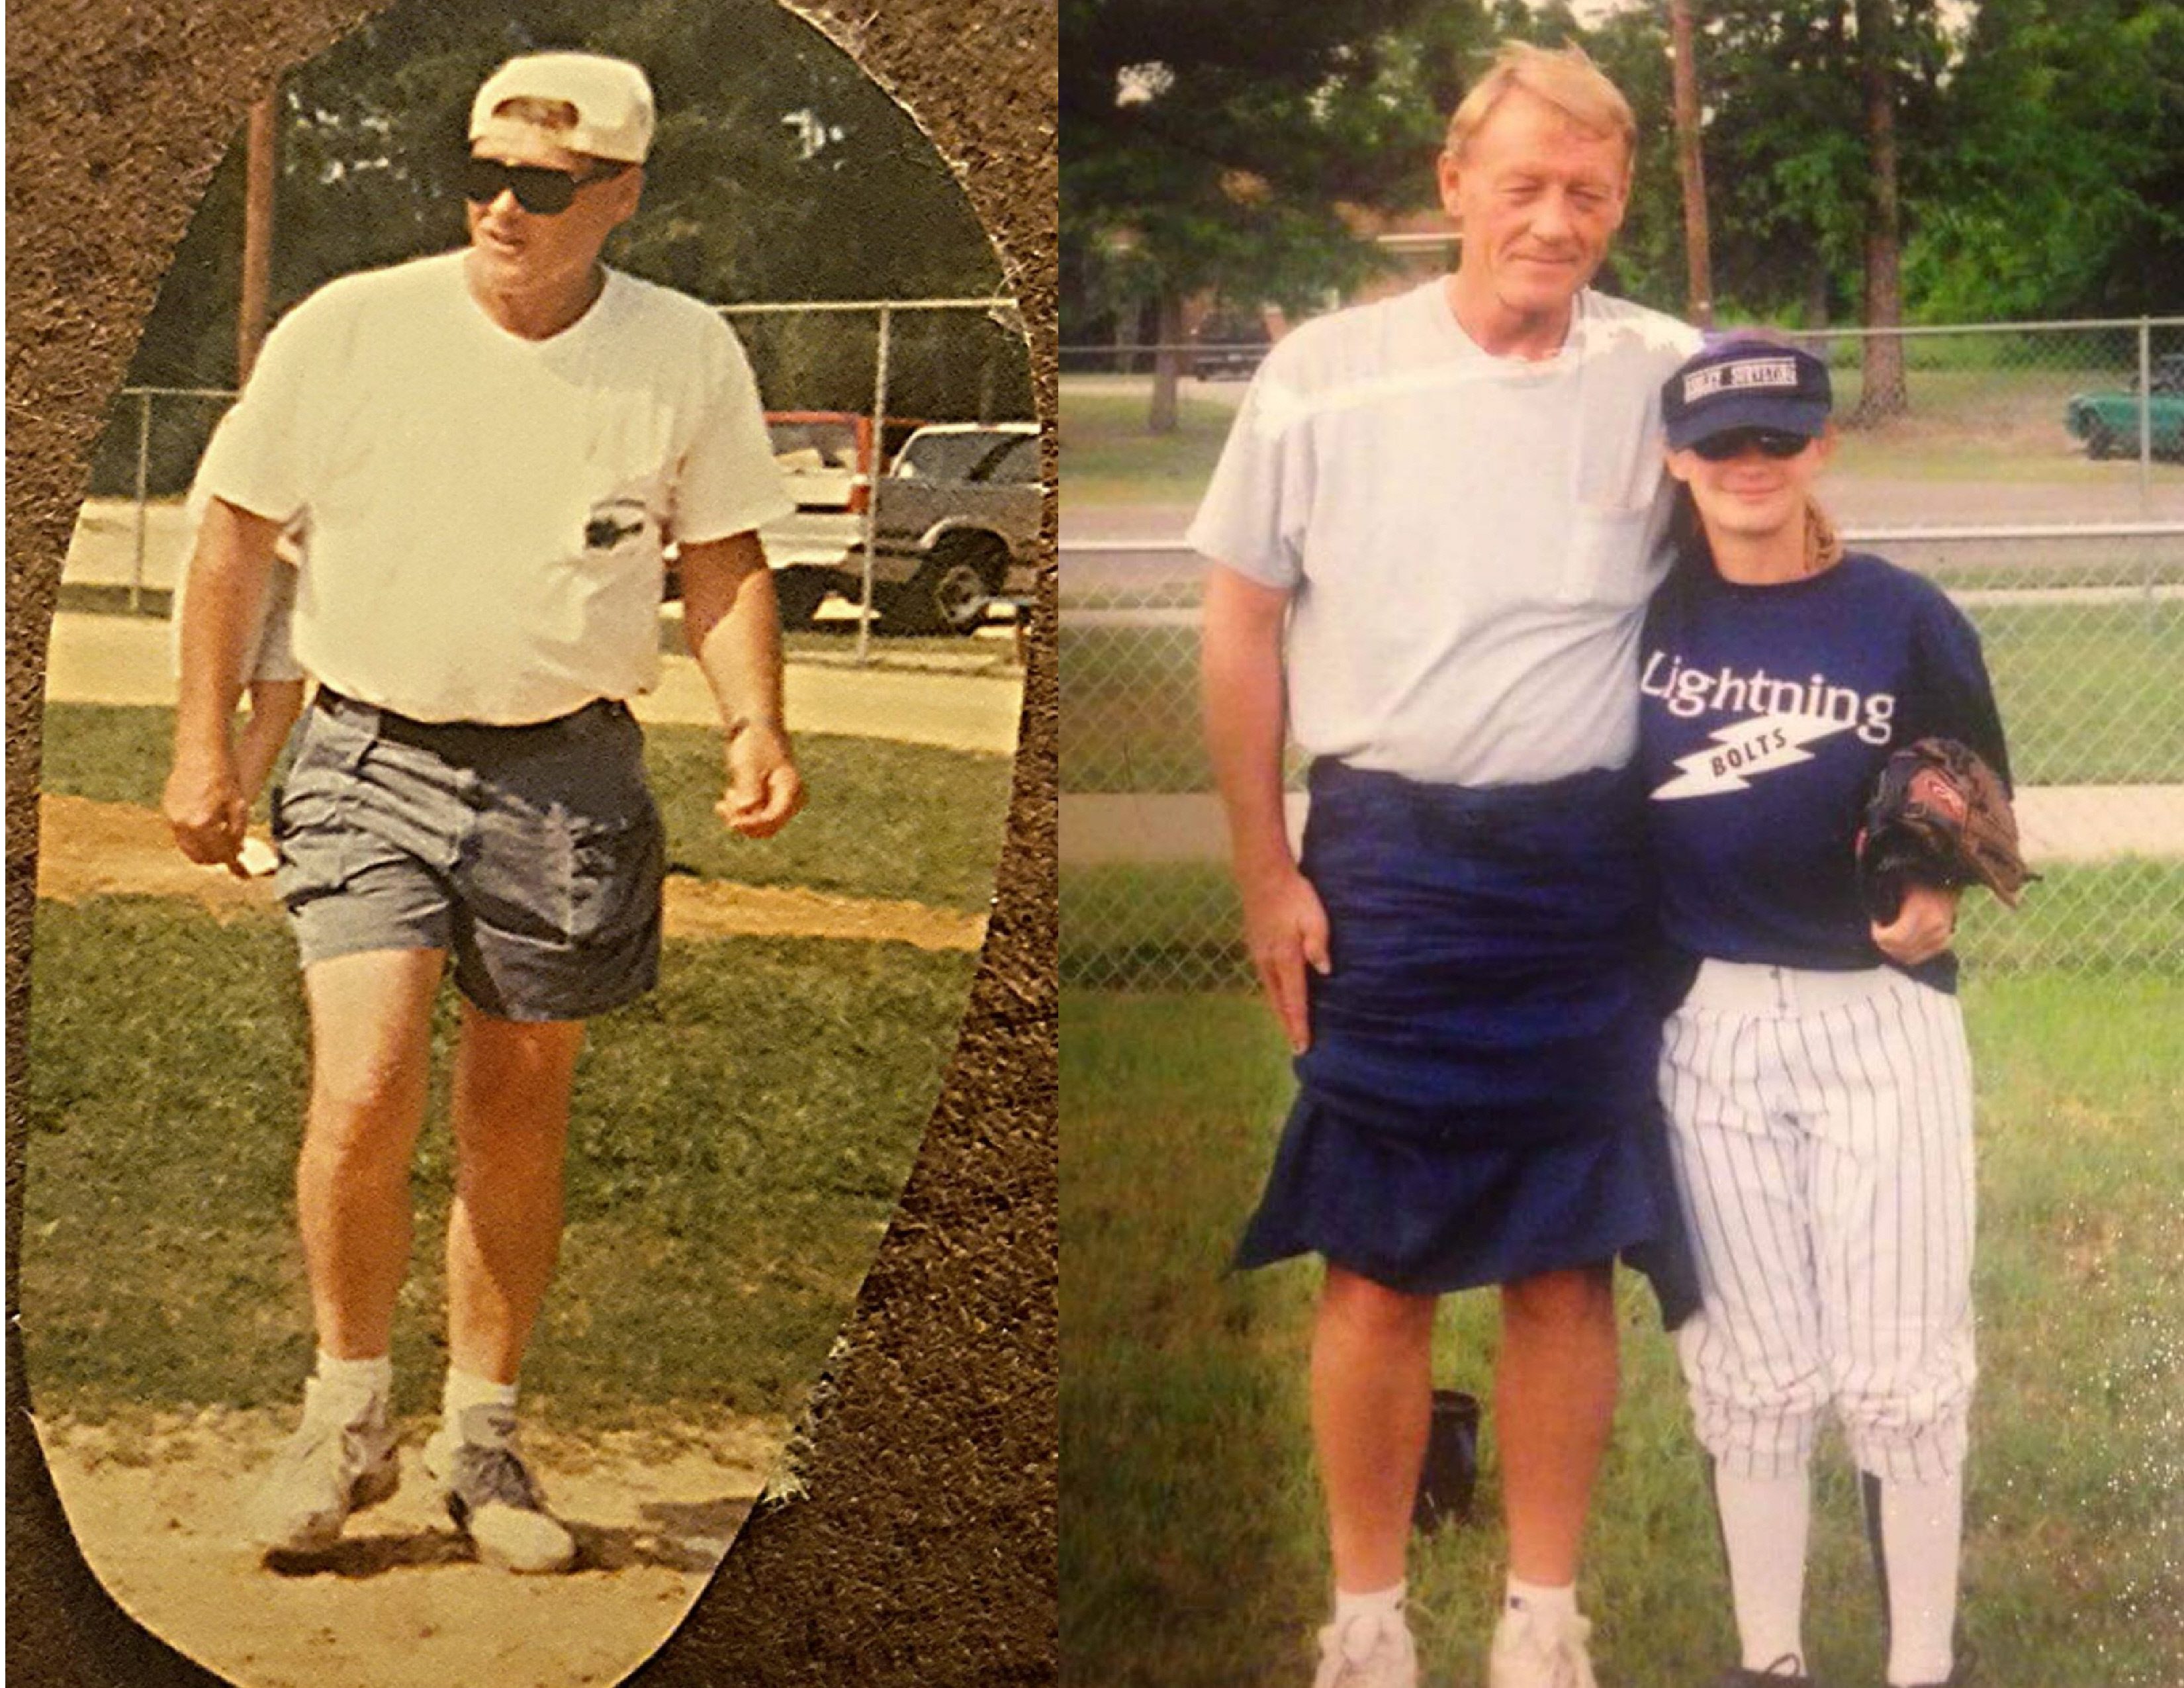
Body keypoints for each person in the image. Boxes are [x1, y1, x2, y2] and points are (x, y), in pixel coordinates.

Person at [161, 50, 803, 1573]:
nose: (506, 206)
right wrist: (205, 748)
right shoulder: (354, 329)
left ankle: (485, 1442)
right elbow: (232, 538)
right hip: (368, 752)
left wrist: (756, 716)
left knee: (516, 1111)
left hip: (566, 774)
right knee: (365, 1085)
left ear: (622, 196)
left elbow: (722, 556)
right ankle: (343, 1418)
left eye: (547, 184)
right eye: (485, 173)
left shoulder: (684, 350)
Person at [1193, 41, 1702, 1688]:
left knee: (1569, 1258)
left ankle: (1543, 1622)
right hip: (1391, 862)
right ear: (1453, 186)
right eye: (1527, 184)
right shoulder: (1327, 372)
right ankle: (1368, 1619)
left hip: (1586, 870)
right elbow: (1242, 621)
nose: (1556, 221)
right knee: (1379, 1260)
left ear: (1621, 206)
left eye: (1591, 194)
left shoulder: (1672, 371)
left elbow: (1777, 539)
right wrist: (1269, 871)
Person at [1640, 338, 2009, 1688]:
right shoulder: (1647, 618)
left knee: (1904, 1369)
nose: (1751, 467)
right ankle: (1771, 1658)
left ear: (1820, 451)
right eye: (1723, 446)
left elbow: (1971, 784)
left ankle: (1922, 1666)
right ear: (1679, 462)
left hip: (1879, 1019)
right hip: (1710, 1019)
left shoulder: (1901, 614)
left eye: (1779, 441)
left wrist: (1938, 886)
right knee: (1754, 1369)